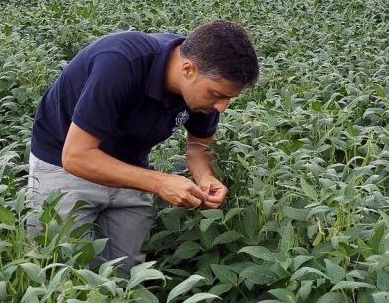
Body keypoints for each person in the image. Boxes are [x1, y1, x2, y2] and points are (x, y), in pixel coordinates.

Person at [27, 20, 259, 275]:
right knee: (59, 270)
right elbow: (75, 157)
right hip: (65, 166)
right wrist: (160, 183)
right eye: (217, 95)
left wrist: (205, 177)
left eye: (229, 98)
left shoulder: (203, 91)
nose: (222, 107)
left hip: (131, 169)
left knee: (124, 274)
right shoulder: (120, 62)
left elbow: (198, 145)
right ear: (188, 69)